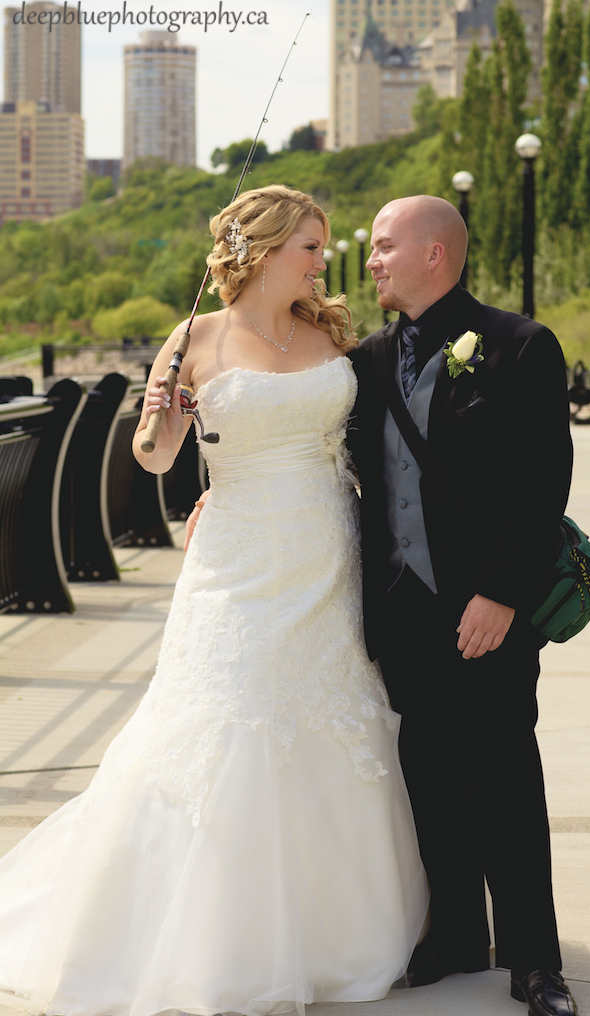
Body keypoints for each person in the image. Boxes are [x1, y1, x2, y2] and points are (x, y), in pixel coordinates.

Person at [0, 185, 428, 1016]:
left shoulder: (330, 333)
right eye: (310, 245)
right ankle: (210, 937)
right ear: (265, 249)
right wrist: (159, 417)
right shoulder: (194, 335)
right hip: (235, 558)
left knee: (327, 711)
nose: (322, 259)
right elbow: (156, 459)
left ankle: (335, 929)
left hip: (325, 549)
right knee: (227, 714)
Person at [345, 195, 577, 1016]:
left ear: (433, 254)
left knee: (506, 773)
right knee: (430, 771)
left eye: (381, 246)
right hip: (402, 607)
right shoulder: (367, 360)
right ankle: (453, 937)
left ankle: (534, 962)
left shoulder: (518, 346)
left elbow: (540, 482)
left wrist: (501, 594)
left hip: (487, 606)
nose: (369, 259)